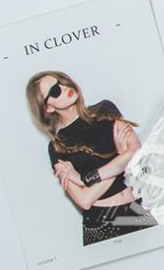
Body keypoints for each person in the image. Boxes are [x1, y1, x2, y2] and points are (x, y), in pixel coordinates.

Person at [25, 70, 157, 246]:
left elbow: (135, 152)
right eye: (55, 90)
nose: (64, 88)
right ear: (48, 108)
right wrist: (119, 156)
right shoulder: (57, 147)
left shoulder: (105, 109)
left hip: (139, 209)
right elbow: (85, 201)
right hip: (103, 223)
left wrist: (85, 179)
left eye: (63, 81)